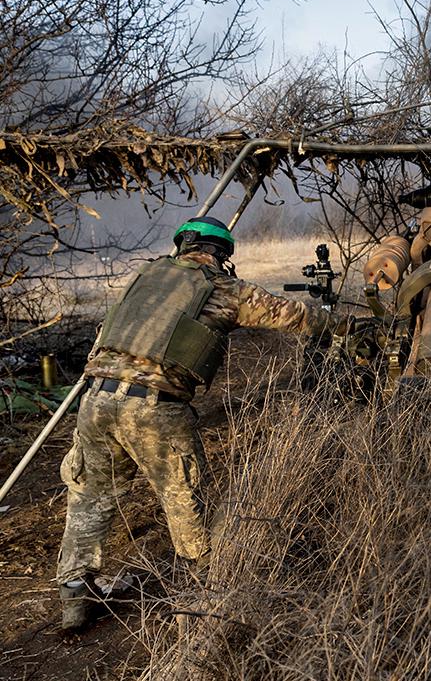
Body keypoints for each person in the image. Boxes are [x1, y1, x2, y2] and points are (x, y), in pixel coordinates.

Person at [57, 216, 348, 631]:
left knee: (89, 499)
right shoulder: (225, 289)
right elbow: (294, 317)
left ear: (182, 246)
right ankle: (204, 600)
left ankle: (72, 600)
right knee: (185, 502)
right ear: (221, 254)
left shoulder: (145, 276)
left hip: (96, 401)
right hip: (155, 407)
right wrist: (339, 322)